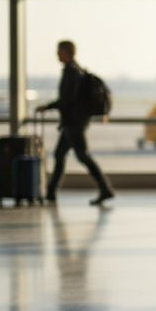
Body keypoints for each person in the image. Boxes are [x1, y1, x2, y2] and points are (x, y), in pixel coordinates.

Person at [41, 40, 114, 206]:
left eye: (59, 51)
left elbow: (67, 99)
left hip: (74, 123)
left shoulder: (72, 72)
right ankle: (51, 192)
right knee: (60, 155)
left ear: (67, 53)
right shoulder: (75, 71)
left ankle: (105, 188)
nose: (57, 55)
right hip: (72, 122)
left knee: (82, 156)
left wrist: (49, 106)